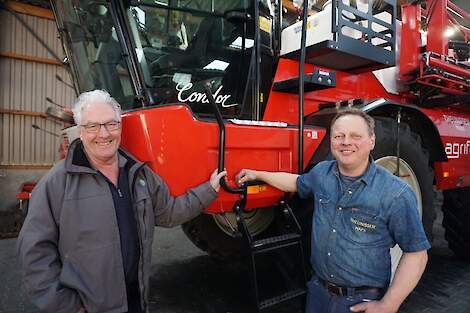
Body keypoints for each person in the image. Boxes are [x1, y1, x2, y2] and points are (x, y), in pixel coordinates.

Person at [17, 89, 227, 313]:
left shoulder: (139, 174)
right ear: (80, 131)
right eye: (93, 126)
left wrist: (209, 189)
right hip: (89, 307)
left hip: (136, 299)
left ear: (120, 126)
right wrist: (67, 306)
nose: (104, 134)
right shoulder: (57, 183)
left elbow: (169, 212)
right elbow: (34, 251)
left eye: (111, 124)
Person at [236, 109, 430, 313]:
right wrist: (257, 173)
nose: (346, 142)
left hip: (360, 301)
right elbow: (295, 182)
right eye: (339, 136)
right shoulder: (322, 173)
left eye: (356, 136)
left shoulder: (395, 193)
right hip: (318, 293)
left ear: (372, 141)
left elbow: (416, 254)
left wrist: (389, 304)